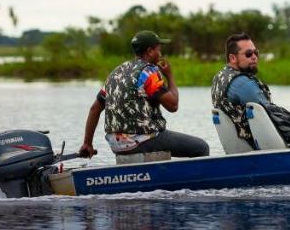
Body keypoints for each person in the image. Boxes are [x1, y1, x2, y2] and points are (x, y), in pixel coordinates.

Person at [78, 30, 210, 159]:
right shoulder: (148, 73)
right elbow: (173, 105)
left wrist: (87, 143)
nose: (160, 53)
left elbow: (95, 109)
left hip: (117, 145)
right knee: (201, 148)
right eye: (159, 49)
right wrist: (169, 76)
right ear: (150, 51)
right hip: (141, 141)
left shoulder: (117, 72)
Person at [211, 32, 290, 149]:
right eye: (248, 54)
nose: (254, 57)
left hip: (249, 139)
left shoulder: (220, 77)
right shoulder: (242, 83)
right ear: (233, 58)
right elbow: (271, 115)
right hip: (263, 141)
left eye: (256, 53)